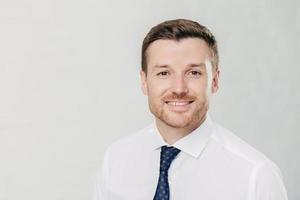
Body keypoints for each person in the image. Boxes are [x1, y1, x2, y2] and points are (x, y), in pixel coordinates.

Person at [93, 19, 288, 200]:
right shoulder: (116, 159)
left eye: (194, 73)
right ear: (144, 82)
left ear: (214, 81)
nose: (179, 88)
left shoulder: (256, 176)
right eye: (163, 73)